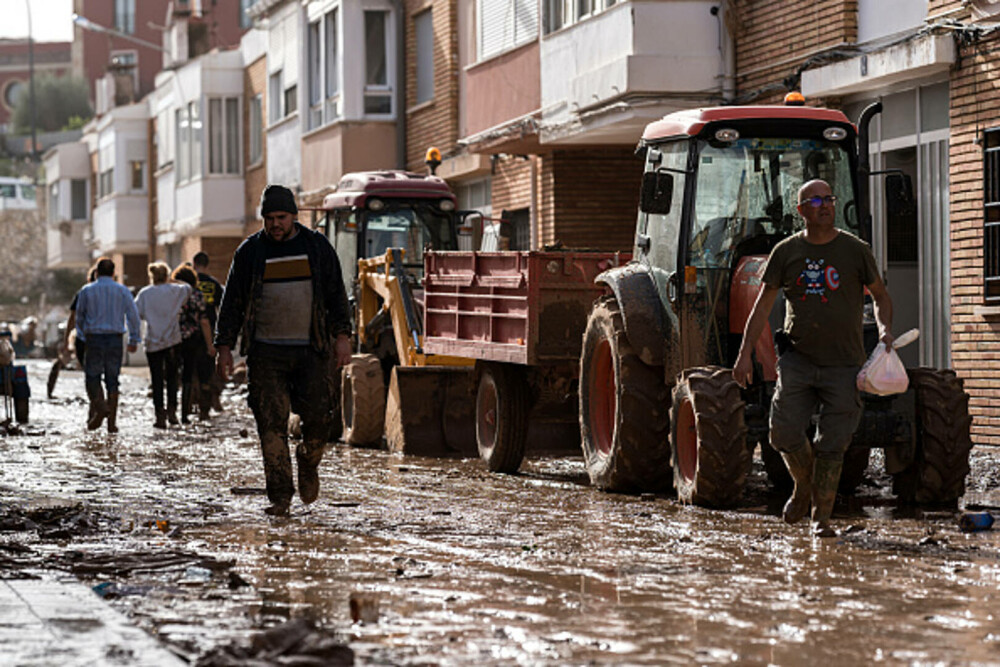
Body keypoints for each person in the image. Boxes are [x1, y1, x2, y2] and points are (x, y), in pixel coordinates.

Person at [733, 179, 893, 538]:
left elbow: (881, 296)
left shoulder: (855, 250)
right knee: (784, 432)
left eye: (829, 198)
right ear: (800, 210)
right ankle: (804, 486)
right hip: (798, 360)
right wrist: (744, 354)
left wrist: (883, 330)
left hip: (845, 364)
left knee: (833, 444)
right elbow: (762, 306)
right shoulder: (786, 252)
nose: (825, 205)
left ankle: (821, 517)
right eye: (816, 200)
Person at [215, 184, 352, 516]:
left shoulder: (316, 247)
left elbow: (336, 293)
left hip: (312, 350)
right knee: (270, 424)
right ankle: (280, 497)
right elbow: (231, 300)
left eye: (281, 217)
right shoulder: (250, 252)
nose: (275, 224)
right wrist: (224, 346)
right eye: (269, 218)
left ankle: (308, 460)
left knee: (320, 420)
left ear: (294, 216)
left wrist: (343, 336)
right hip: (266, 354)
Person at [74, 257, 141, 433]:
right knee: (113, 380)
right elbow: (133, 316)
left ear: (97, 272)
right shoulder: (122, 291)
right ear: (113, 273)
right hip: (115, 339)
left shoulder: (86, 291)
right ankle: (112, 423)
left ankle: (101, 406)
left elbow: (79, 316)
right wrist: (134, 339)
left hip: (93, 338)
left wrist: (81, 335)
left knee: (92, 377)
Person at [134, 262, 190, 429]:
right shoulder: (176, 290)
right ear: (167, 275)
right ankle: (172, 412)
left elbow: (138, 314)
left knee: (156, 379)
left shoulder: (144, 294)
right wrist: (173, 281)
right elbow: (188, 287)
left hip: (153, 342)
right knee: (172, 378)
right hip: (172, 340)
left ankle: (160, 416)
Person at [172, 264, 216, 424]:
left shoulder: (171, 294)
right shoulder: (197, 294)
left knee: (171, 375)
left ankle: (170, 412)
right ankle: (185, 413)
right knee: (188, 374)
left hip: (172, 339)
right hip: (192, 339)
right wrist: (210, 345)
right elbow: (204, 321)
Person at [48, 265, 97, 399]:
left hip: (83, 338)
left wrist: (66, 340)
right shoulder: (110, 293)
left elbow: (72, 318)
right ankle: (100, 404)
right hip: (105, 338)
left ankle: (96, 404)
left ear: (89, 279)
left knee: (90, 374)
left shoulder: (83, 293)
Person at [193, 252, 225, 416]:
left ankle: (193, 404)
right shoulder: (214, 284)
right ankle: (207, 403)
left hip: (189, 333)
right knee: (208, 368)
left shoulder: (188, 284)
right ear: (208, 265)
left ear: (194, 264)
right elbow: (222, 308)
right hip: (209, 331)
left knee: (191, 370)